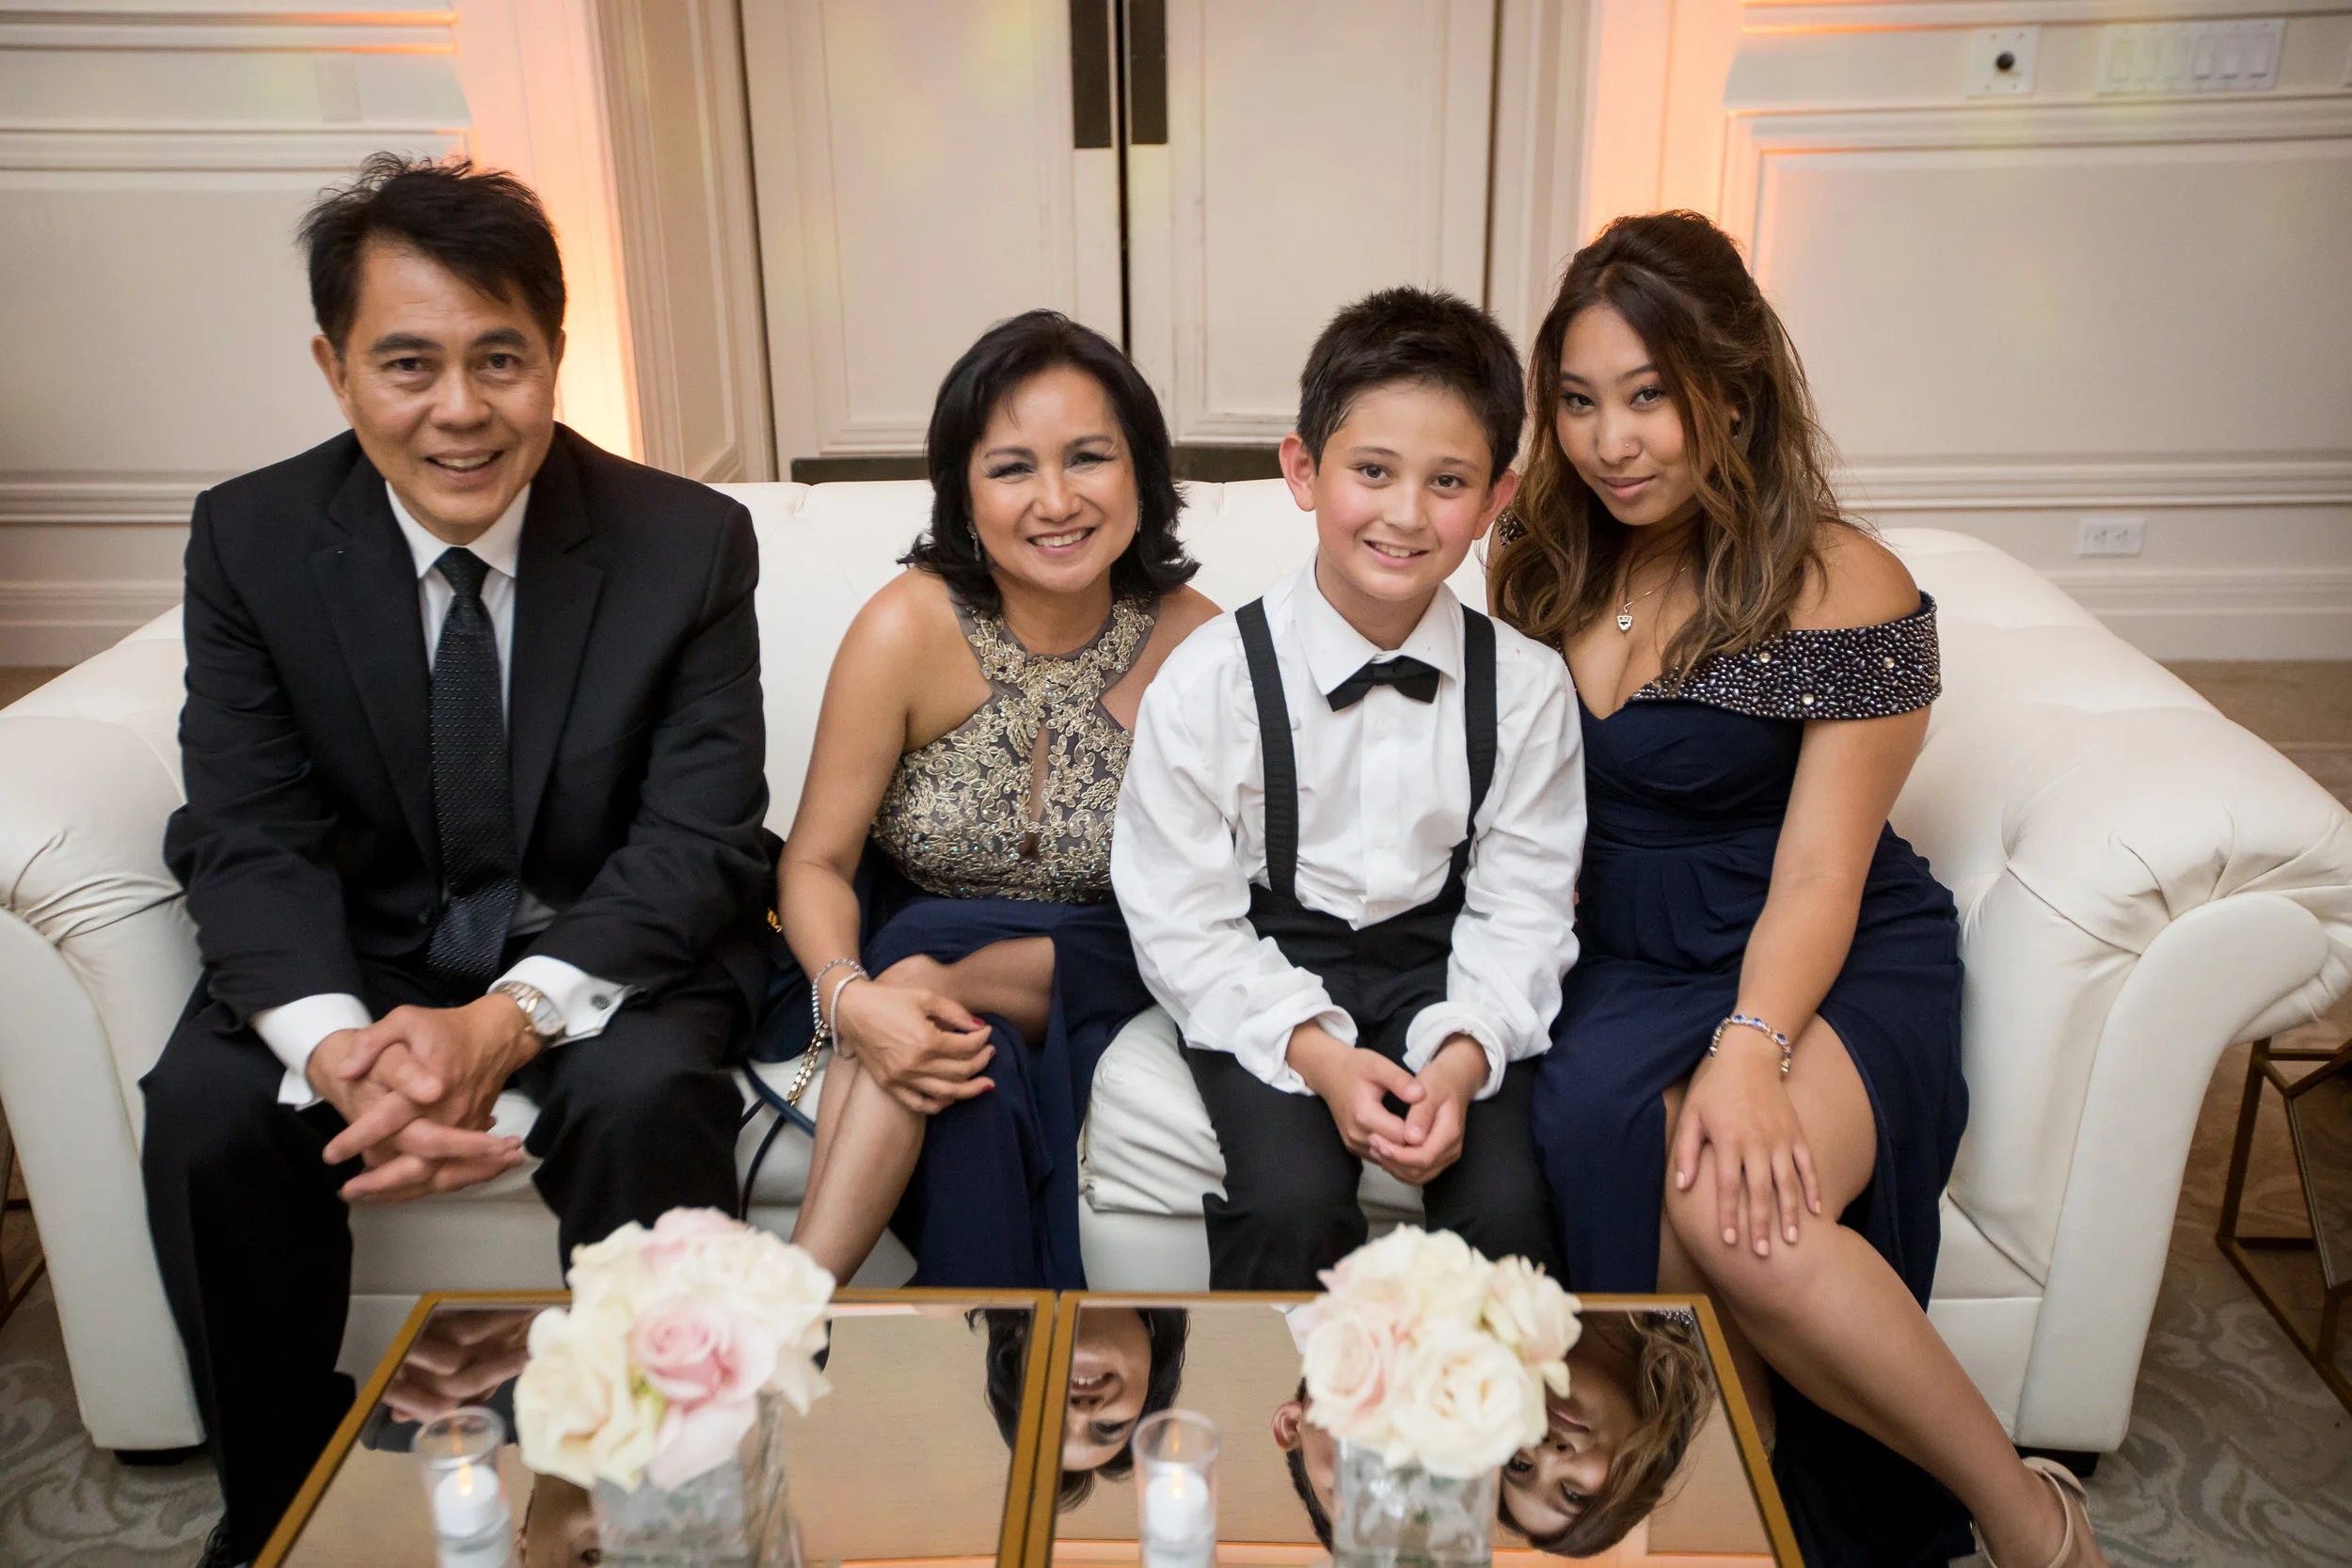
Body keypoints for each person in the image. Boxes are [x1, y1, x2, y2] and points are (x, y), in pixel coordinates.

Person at [139, 155, 771, 1567]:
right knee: (206, 1111)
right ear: (335, 369)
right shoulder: (250, 538)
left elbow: (699, 836)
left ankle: (659, 1501)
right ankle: (280, 1514)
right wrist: (341, 1051)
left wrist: (503, 1023)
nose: (461, 409)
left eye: (500, 357)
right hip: (360, 946)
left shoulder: (686, 543)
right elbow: (248, 828)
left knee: (649, 1094)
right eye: (408, 363)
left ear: (555, 355)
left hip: (600, 937)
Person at [1493, 211, 2106, 1568]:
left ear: (1732, 387)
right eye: (1579, 402)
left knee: (1739, 1220)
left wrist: (1752, 1044)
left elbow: (1824, 865)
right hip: (1624, 955)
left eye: (1648, 396)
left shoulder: (1842, 584)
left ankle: (2033, 1522)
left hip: (1821, 946)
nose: (1610, 441)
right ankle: (1744, 1512)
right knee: (1614, 1148)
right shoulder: (1544, 558)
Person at [1113, 287, 1581, 1290]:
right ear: (1302, 470)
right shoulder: (1208, 679)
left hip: (1445, 962)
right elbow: (1180, 915)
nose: (1405, 514)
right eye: (1372, 470)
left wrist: (1460, 1058)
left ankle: (1484, 1396)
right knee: (1288, 1202)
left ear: (1495, 499)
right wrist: (1318, 1057)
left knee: (1506, 1206)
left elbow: (1525, 906)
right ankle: (1269, 1394)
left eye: (1447, 481)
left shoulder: (1528, 687)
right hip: (1270, 960)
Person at [777, 310, 1217, 1287]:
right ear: (963, 495)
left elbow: (1220, 897)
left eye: (1088, 457)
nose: (1056, 500)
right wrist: (849, 997)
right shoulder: (904, 628)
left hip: (1112, 955)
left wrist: (901, 990)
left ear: (1142, 472)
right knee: (948, 1046)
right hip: (921, 942)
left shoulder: (1200, 646)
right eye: (1013, 467)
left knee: (922, 987)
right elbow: (814, 860)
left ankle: (787, 1304)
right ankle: (833, 1309)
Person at [1496, 1311, 1714, 1553]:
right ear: (1639, 1476)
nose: (1547, 1455)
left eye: (1520, 1464)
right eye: (1572, 1493)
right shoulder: (1719, 1320)